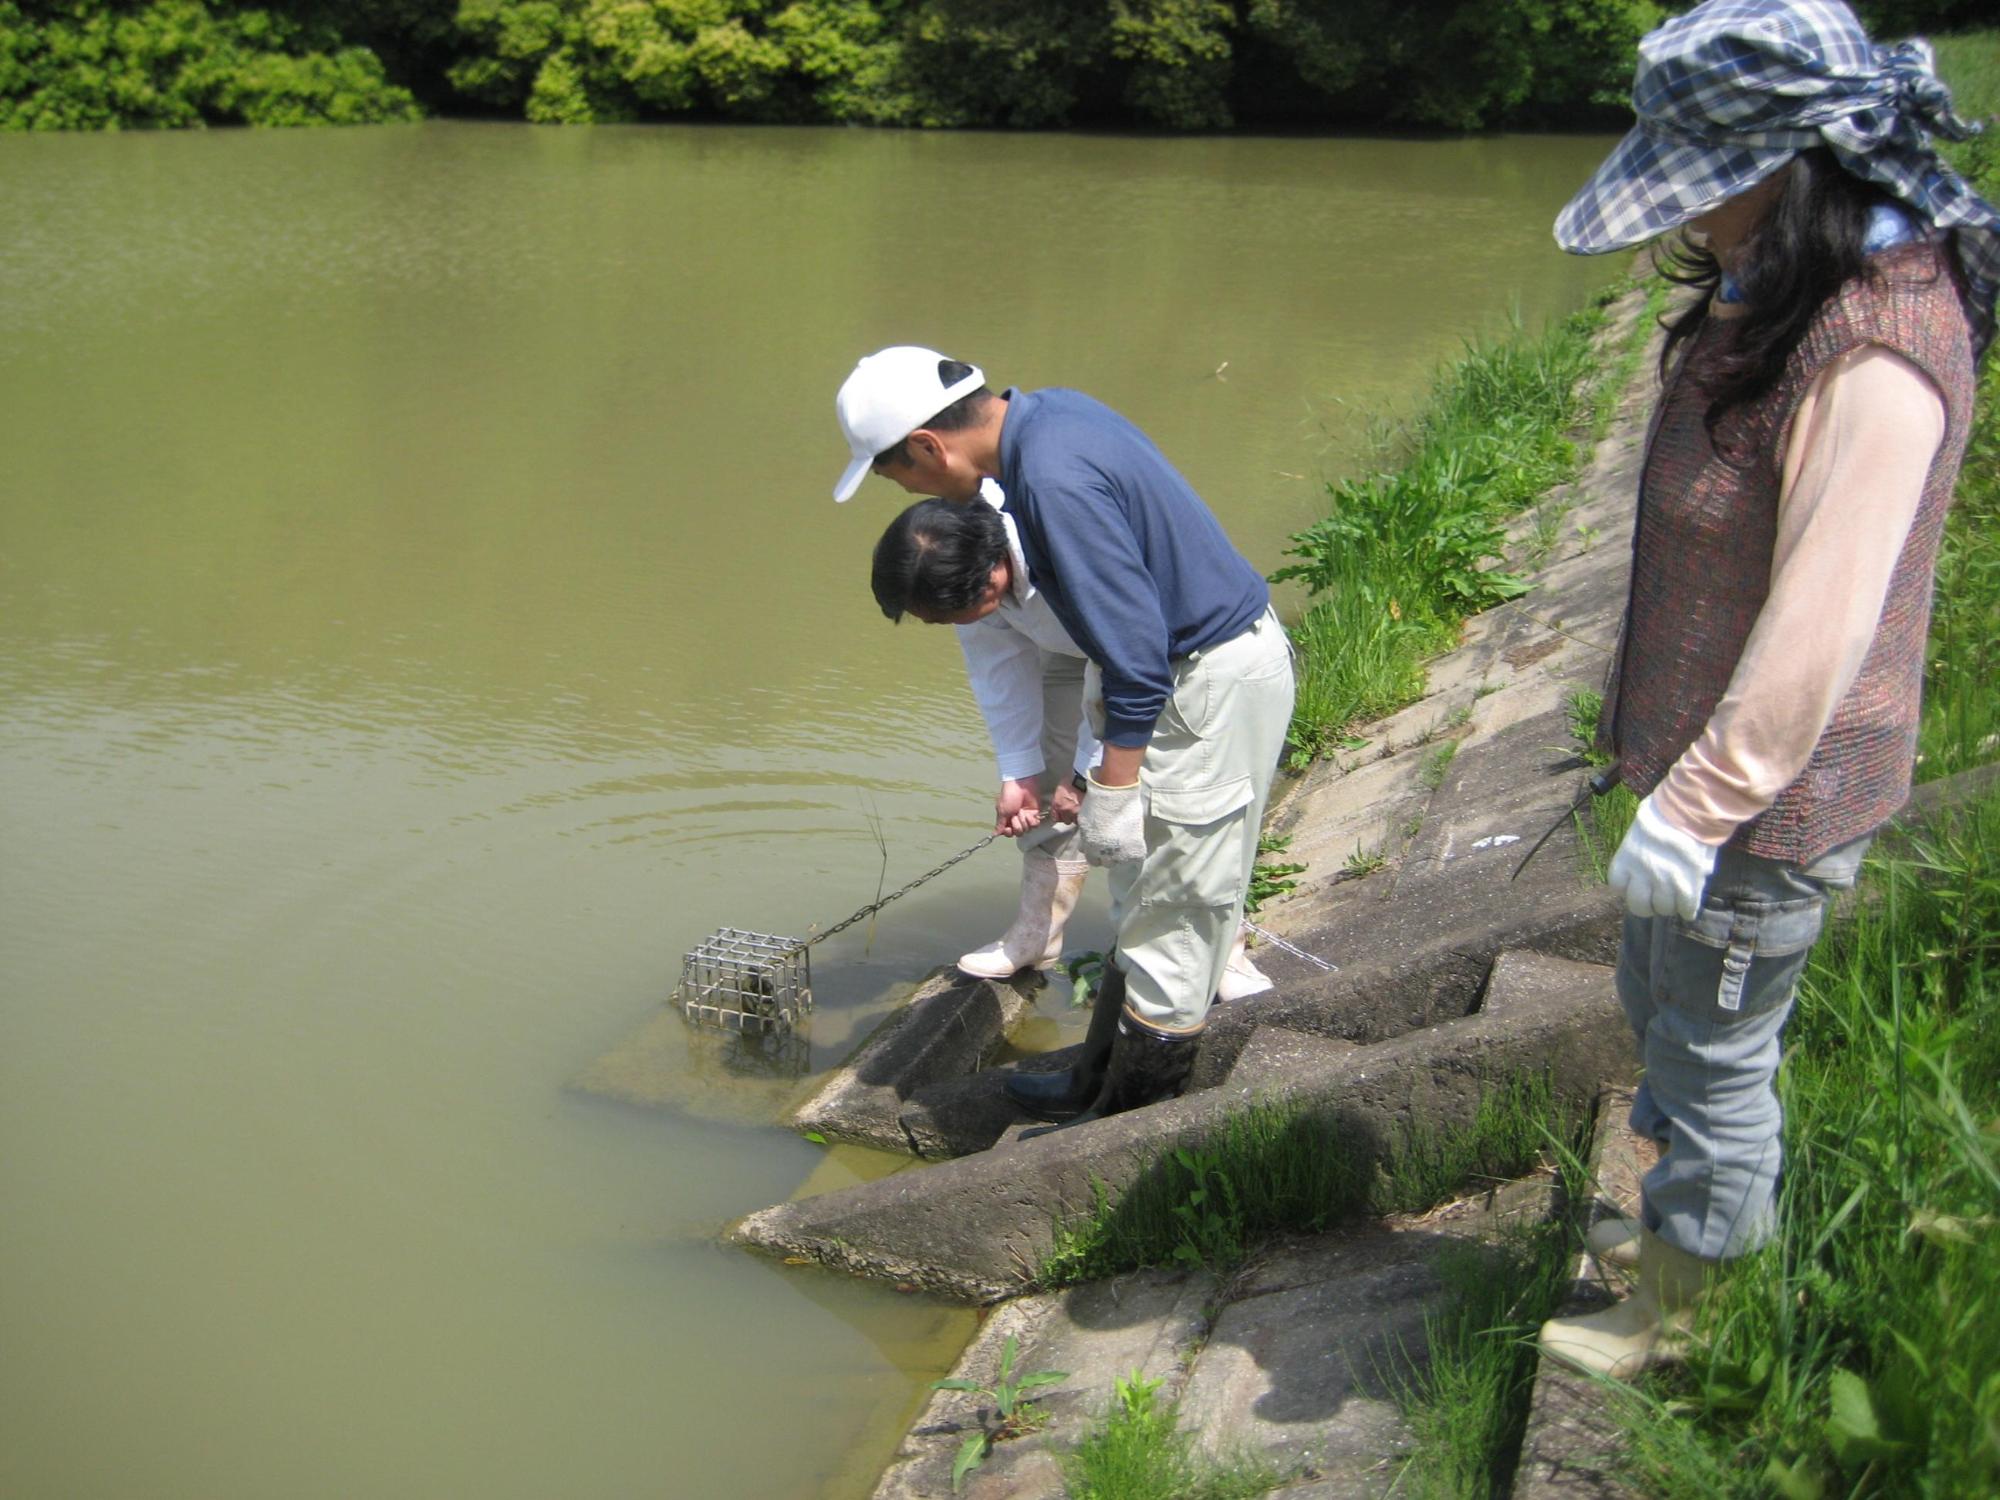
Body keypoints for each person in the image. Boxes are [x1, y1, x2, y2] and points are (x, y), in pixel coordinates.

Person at [1535, 0, 1996, 1380]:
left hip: (1770, 800)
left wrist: (1704, 806)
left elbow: (1823, 621)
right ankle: (1681, 1227)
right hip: (1695, 775)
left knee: (1721, 1054)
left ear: (1784, 160)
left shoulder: (1875, 341)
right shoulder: (1779, 275)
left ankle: (1692, 1316)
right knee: (1661, 1004)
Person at [839, 350, 1295, 1119]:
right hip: (1207, 668)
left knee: (1170, 903)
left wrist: (1107, 786)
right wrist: (1044, 773)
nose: (913, 492)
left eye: (898, 476)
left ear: (926, 445)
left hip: (1201, 679)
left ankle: (1127, 1124)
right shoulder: (1052, 419)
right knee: (1154, 897)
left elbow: (1135, 661)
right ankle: (1098, 1080)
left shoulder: (1048, 486)